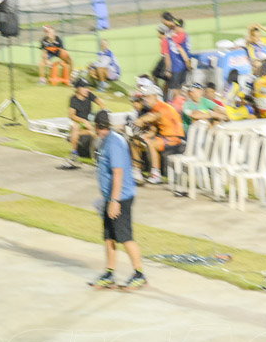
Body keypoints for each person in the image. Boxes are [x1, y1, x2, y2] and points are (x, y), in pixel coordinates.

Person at [90, 110, 146, 290]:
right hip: (110, 197)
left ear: (98, 126)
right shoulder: (106, 140)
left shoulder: (113, 143)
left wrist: (114, 201)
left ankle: (139, 274)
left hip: (120, 198)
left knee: (125, 237)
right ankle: (109, 273)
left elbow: (118, 174)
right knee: (108, 237)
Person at [131, 86, 184, 185]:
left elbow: (154, 116)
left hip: (174, 138)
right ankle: (136, 170)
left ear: (155, 96)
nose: (145, 100)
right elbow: (153, 130)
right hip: (163, 137)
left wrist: (140, 120)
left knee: (151, 143)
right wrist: (142, 136)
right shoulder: (152, 109)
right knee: (135, 140)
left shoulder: (162, 107)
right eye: (144, 97)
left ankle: (156, 174)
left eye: (147, 97)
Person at [65, 79, 103, 167]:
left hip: (90, 122)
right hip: (79, 123)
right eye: (85, 88)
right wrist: (83, 121)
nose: (87, 90)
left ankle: (98, 156)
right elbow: (71, 115)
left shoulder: (89, 95)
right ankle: (73, 153)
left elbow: (101, 104)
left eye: (87, 88)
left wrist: (100, 113)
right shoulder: (73, 99)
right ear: (78, 89)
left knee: (94, 132)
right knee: (75, 126)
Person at [164, 20, 191, 101]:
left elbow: (181, 51)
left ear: (179, 27)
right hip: (183, 66)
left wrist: (168, 69)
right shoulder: (186, 36)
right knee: (181, 89)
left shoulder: (175, 38)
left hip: (176, 67)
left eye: (175, 27)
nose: (174, 28)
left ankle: (177, 109)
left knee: (176, 91)